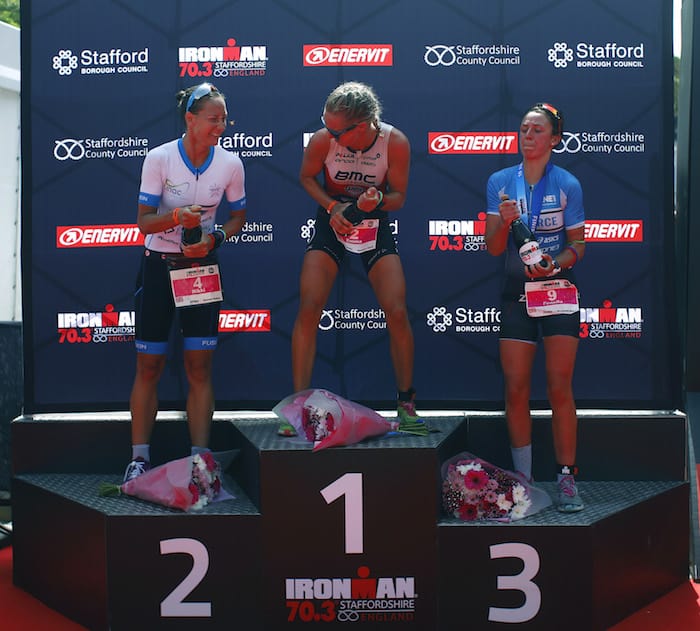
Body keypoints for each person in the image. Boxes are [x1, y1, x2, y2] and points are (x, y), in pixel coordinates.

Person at [283, 81, 425, 437]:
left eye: (335, 129)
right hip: (333, 219)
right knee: (310, 305)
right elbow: (305, 177)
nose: (328, 134)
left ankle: (406, 403)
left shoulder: (395, 142)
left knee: (396, 308)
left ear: (361, 126)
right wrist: (333, 207)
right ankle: (298, 407)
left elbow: (400, 198)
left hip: (373, 222)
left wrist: (374, 201)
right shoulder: (322, 140)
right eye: (326, 125)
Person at [123, 83, 247, 482]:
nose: (221, 127)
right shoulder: (159, 157)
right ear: (190, 120)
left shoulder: (230, 163)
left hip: (201, 270)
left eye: (224, 119)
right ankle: (139, 459)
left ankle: (201, 461)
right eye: (213, 119)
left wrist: (216, 238)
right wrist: (177, 219)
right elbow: (143, 221)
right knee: (148, 366)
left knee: (199, 367)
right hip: (159, 267)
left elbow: (237, 217)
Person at [485, 102, 586, 512]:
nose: (528, 136)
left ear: (554, 139)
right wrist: (504, 221)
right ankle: (522, 481)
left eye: (537, 130)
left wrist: (554, 263)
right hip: (516, 293)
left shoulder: (568, 184)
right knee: (516, 388)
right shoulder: (500, 182)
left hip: (558, 290)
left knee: (560, 386)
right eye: (524, 129)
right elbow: (493, 248)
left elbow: (578, 245)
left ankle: (566, 479)